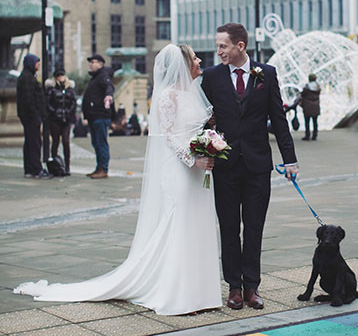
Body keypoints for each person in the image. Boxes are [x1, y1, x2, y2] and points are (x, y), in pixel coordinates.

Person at [14, 43, 222, 315]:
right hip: (180, 170)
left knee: (196, 225)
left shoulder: (193, 94)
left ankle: (200, 292)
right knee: (178, 226)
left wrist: (209, 143)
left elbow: (197, 130)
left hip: (198, 171)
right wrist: (194, 159)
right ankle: (177, 293)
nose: (199, 62)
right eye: (195, 58)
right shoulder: (167, 96)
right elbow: (170, 138)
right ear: (183, 65)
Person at [201, 22, 298, 311]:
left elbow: (279, 121)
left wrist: (289, 159)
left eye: (223, 46)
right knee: (229, 228)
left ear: (240, 46)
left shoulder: (266, 74)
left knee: (255, 227)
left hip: (258, 166)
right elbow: (199, 117)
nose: (219, 51)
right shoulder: (210, 77)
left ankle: (252, 287)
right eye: (218, 46)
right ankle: (233, 288)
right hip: (225, 166)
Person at [16, 54, 49, 179]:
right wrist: (36, 114)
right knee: (34, 142)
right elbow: (28, 99)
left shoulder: (27, 76)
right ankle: (36, 169)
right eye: (36, 63)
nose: (38, 65)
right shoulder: (27, 78)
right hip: (30, 116)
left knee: (30, 142)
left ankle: (30, 169)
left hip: (28, 116)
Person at [82, 54, 114, 179]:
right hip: (93, 116)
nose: (91, 64)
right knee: (96, 143)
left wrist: (109, 96)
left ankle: (103, 169)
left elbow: (109, 87)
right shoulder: (95, 77)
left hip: (100, 115)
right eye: (90, 62)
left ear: (101, 64)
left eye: (93, 62)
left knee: (101, 143)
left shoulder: (103, 76)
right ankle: (99, 167)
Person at [45, 68, 77, 175]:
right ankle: (54, 165)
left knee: (66, 142)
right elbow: (48, 103)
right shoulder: (52, 89)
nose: (61, 78)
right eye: (58, 76)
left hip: (66, 119)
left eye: (62, 75)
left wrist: (69, 113)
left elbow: (73, 102)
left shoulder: (69, 89)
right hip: (55, 119)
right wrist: (55, 112)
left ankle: (67, 166)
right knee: (55, 142)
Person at [300, 73, 321, 141]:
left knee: (307, 122)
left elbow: (302, 94)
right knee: (315, 121)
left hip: (307, 106)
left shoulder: (306, 87)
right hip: (315, 106)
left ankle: (307, 135)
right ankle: (315, 135)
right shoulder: (318, 87)